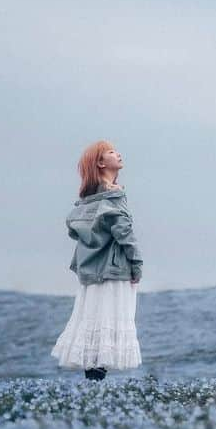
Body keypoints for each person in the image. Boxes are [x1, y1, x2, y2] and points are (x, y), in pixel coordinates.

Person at [51, 139, 143, 380]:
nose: (118, 154)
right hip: (113, 271)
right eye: (112, 152)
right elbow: (124, 232)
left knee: (93, 327)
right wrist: (137, 263)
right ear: (101, 163)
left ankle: (93, 385)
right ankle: (96, 386)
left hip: (91, 273)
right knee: (106, 328)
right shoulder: (113, 196)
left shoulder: (88, 200)